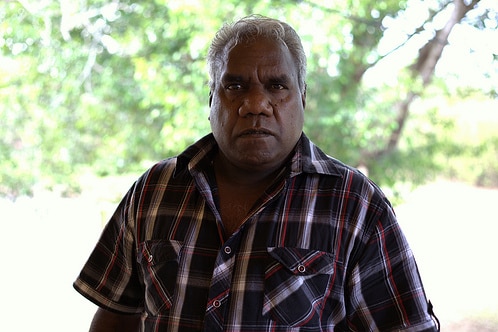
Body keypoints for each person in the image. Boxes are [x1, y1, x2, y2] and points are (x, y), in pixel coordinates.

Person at [74, 15, 439, 331]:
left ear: (303, 99)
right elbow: (115, 317)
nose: (255, 105)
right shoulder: (154, 191)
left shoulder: (356, 205)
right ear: (211, 101)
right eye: (234, 86)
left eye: (277, 86)